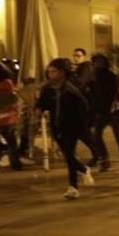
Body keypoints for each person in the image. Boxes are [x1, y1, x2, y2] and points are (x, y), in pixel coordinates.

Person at [36, 58, 93, 200]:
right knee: (68, 155)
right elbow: (42, 104)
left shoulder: (72, 87)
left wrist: (83, 123)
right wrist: (39, 109)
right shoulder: (48, 89)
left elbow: (84, 105)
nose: (50, 75)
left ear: (62, 72)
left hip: (73, 125)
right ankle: (83, 169)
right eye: (49, 72)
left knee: (69, 155)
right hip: (56, 125)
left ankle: (73, 187)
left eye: (53, 72)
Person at [86, 54, 119, 171]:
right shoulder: (94, 77)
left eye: (100, 63)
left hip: (113, 110)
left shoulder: (110, 76)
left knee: (118, 137)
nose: (98, 65)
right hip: (101, 111)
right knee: (97, 135)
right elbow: (92, 93)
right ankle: (105, 159)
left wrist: (117, 103)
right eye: (96, 63)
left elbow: (118, 92)